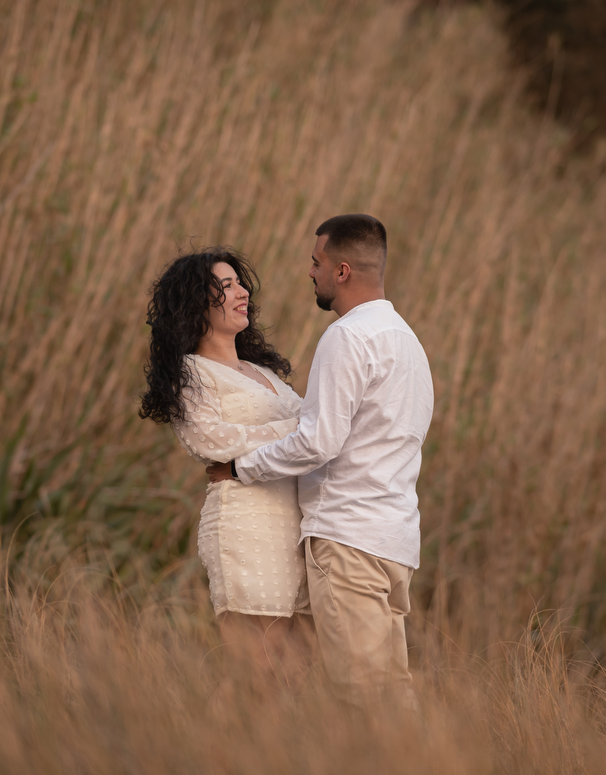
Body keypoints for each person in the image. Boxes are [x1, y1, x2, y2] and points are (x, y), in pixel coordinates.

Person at [207, 214, 434, 709]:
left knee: (366, 695)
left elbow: (318, 442)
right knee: (389, 689)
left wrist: (242, 467)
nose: (311, 272)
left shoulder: (347, 337)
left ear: (342, 271)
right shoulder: (407, 341)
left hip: (349, 538)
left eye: (317, 262)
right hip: (395, 541)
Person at [139, 248, 310, 677]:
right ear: (195, 302)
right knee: (257, 674)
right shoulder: (192, 372)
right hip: (246, 525)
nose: (242, 292)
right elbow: (212, 441)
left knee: (292, 674)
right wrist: (294, 430)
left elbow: (314, 431)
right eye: (226, 285)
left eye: (240, 283)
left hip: (293, 526)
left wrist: (300, 431)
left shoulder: (262, 372)